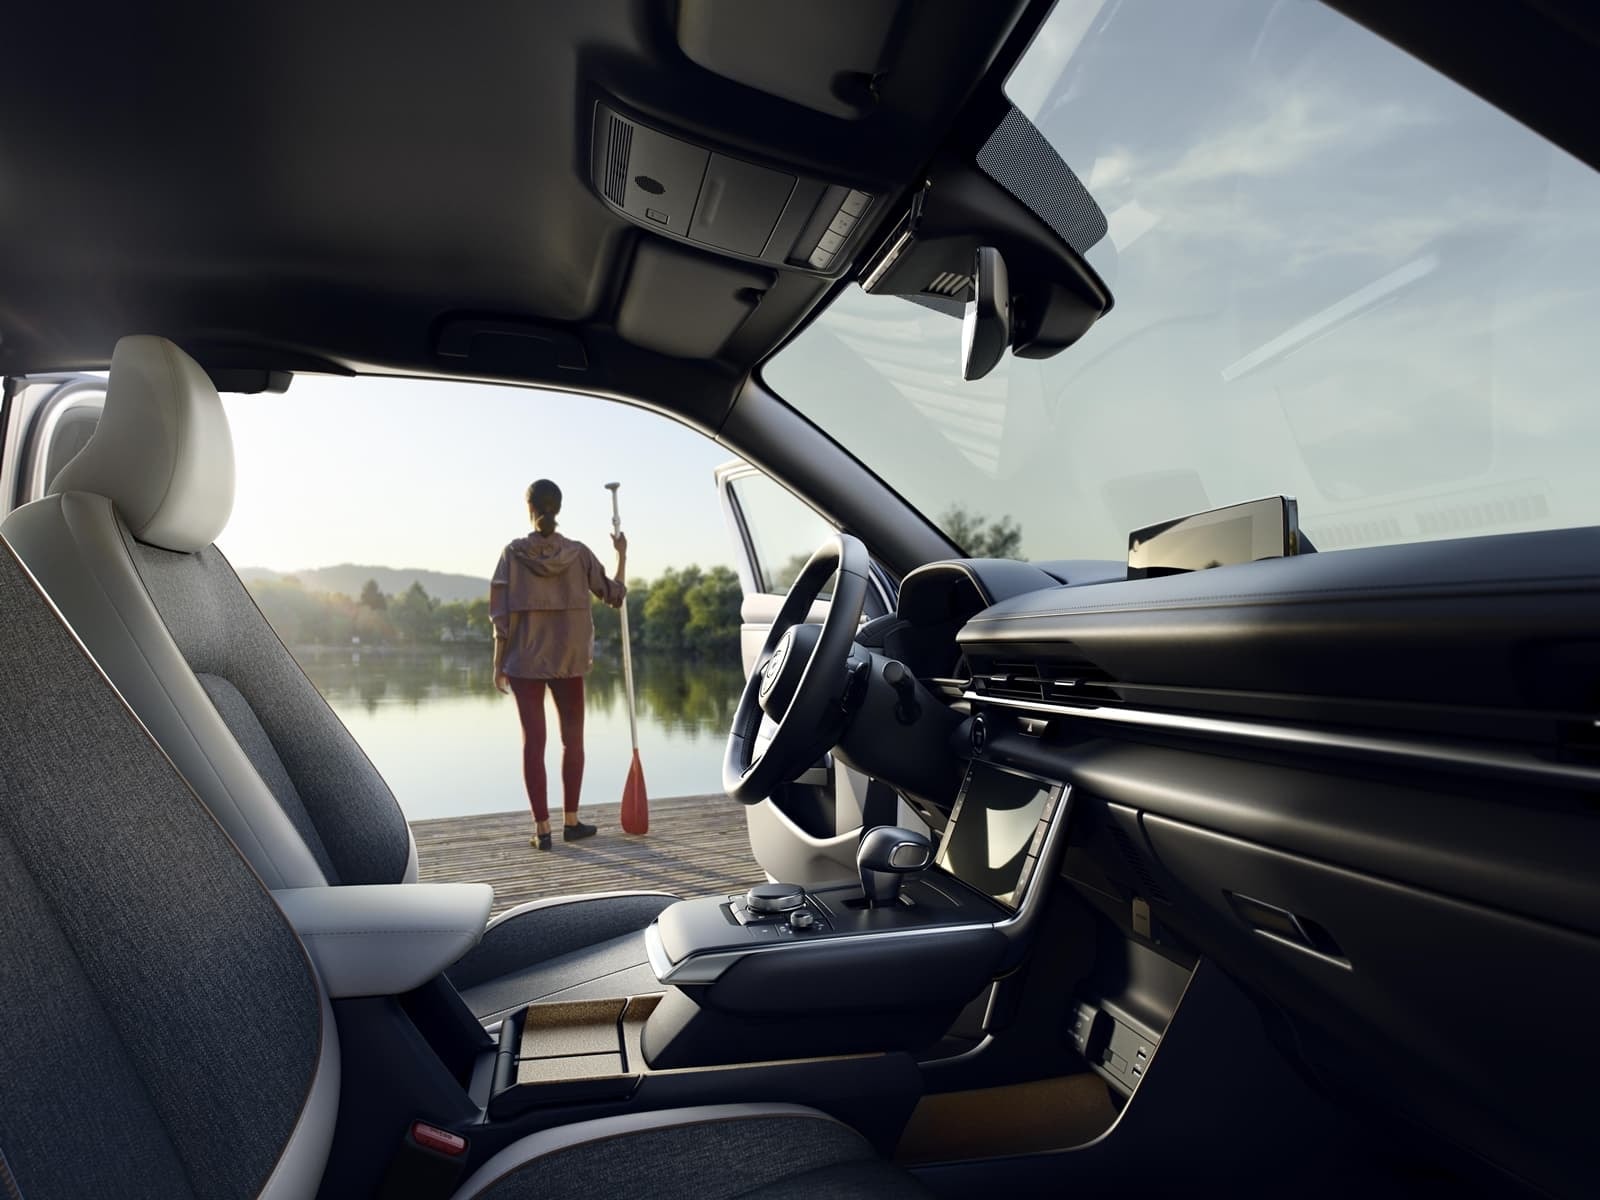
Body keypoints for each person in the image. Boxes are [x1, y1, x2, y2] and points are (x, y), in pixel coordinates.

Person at [489, 479, 627, 850]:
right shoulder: (579, 554)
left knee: (533, 743)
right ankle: (571, 822)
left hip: (524, 662)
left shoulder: (512, 554)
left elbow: (500, 617)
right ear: (559, 508)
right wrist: (622, 555)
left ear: (529, 508)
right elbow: (614, 596)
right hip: (569, 661)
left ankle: (542, 830)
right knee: (573, 741)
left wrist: (498, 662)